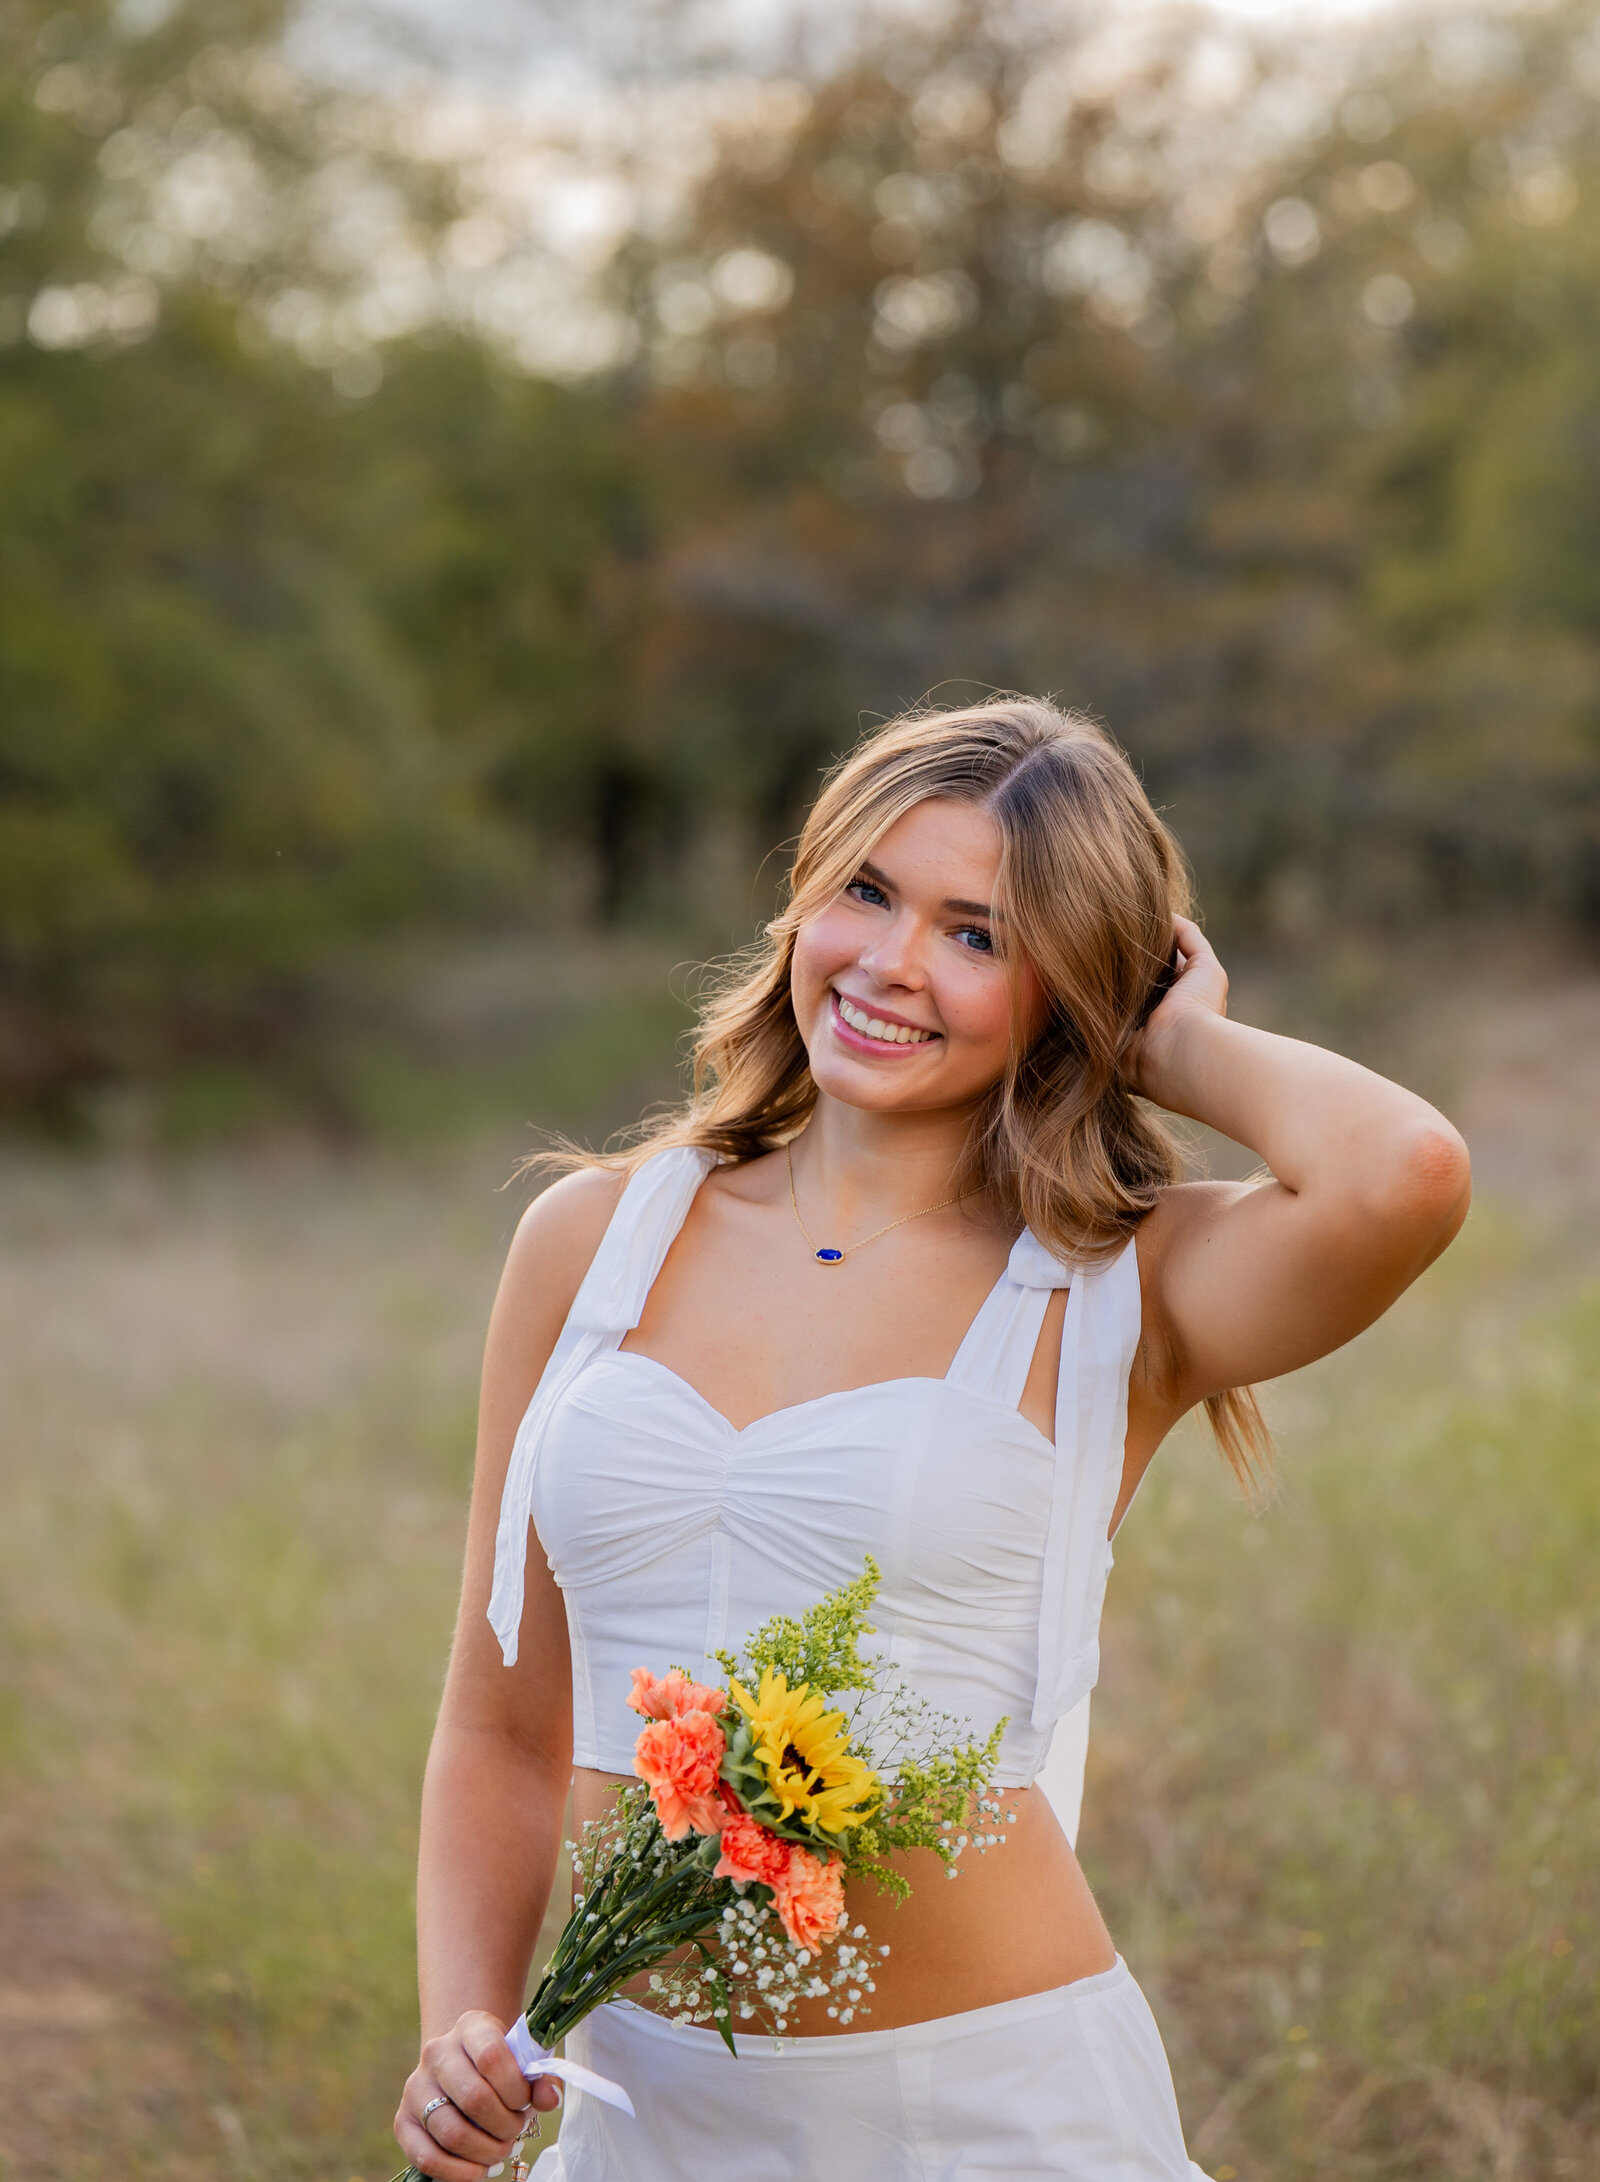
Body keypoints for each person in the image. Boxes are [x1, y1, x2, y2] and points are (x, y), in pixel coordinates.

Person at [392, 698, 1471, 2181]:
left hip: (984, 2115)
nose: (893, 963)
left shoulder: (1115, 1282)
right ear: (803, 899)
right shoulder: (591, 1241)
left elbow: (1403, 1173)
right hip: (643, 2116)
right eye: (868, 892)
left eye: (980, 934)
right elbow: (502, 1724)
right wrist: (466, 2024)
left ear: (1070, 988)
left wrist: (1178, 1042)